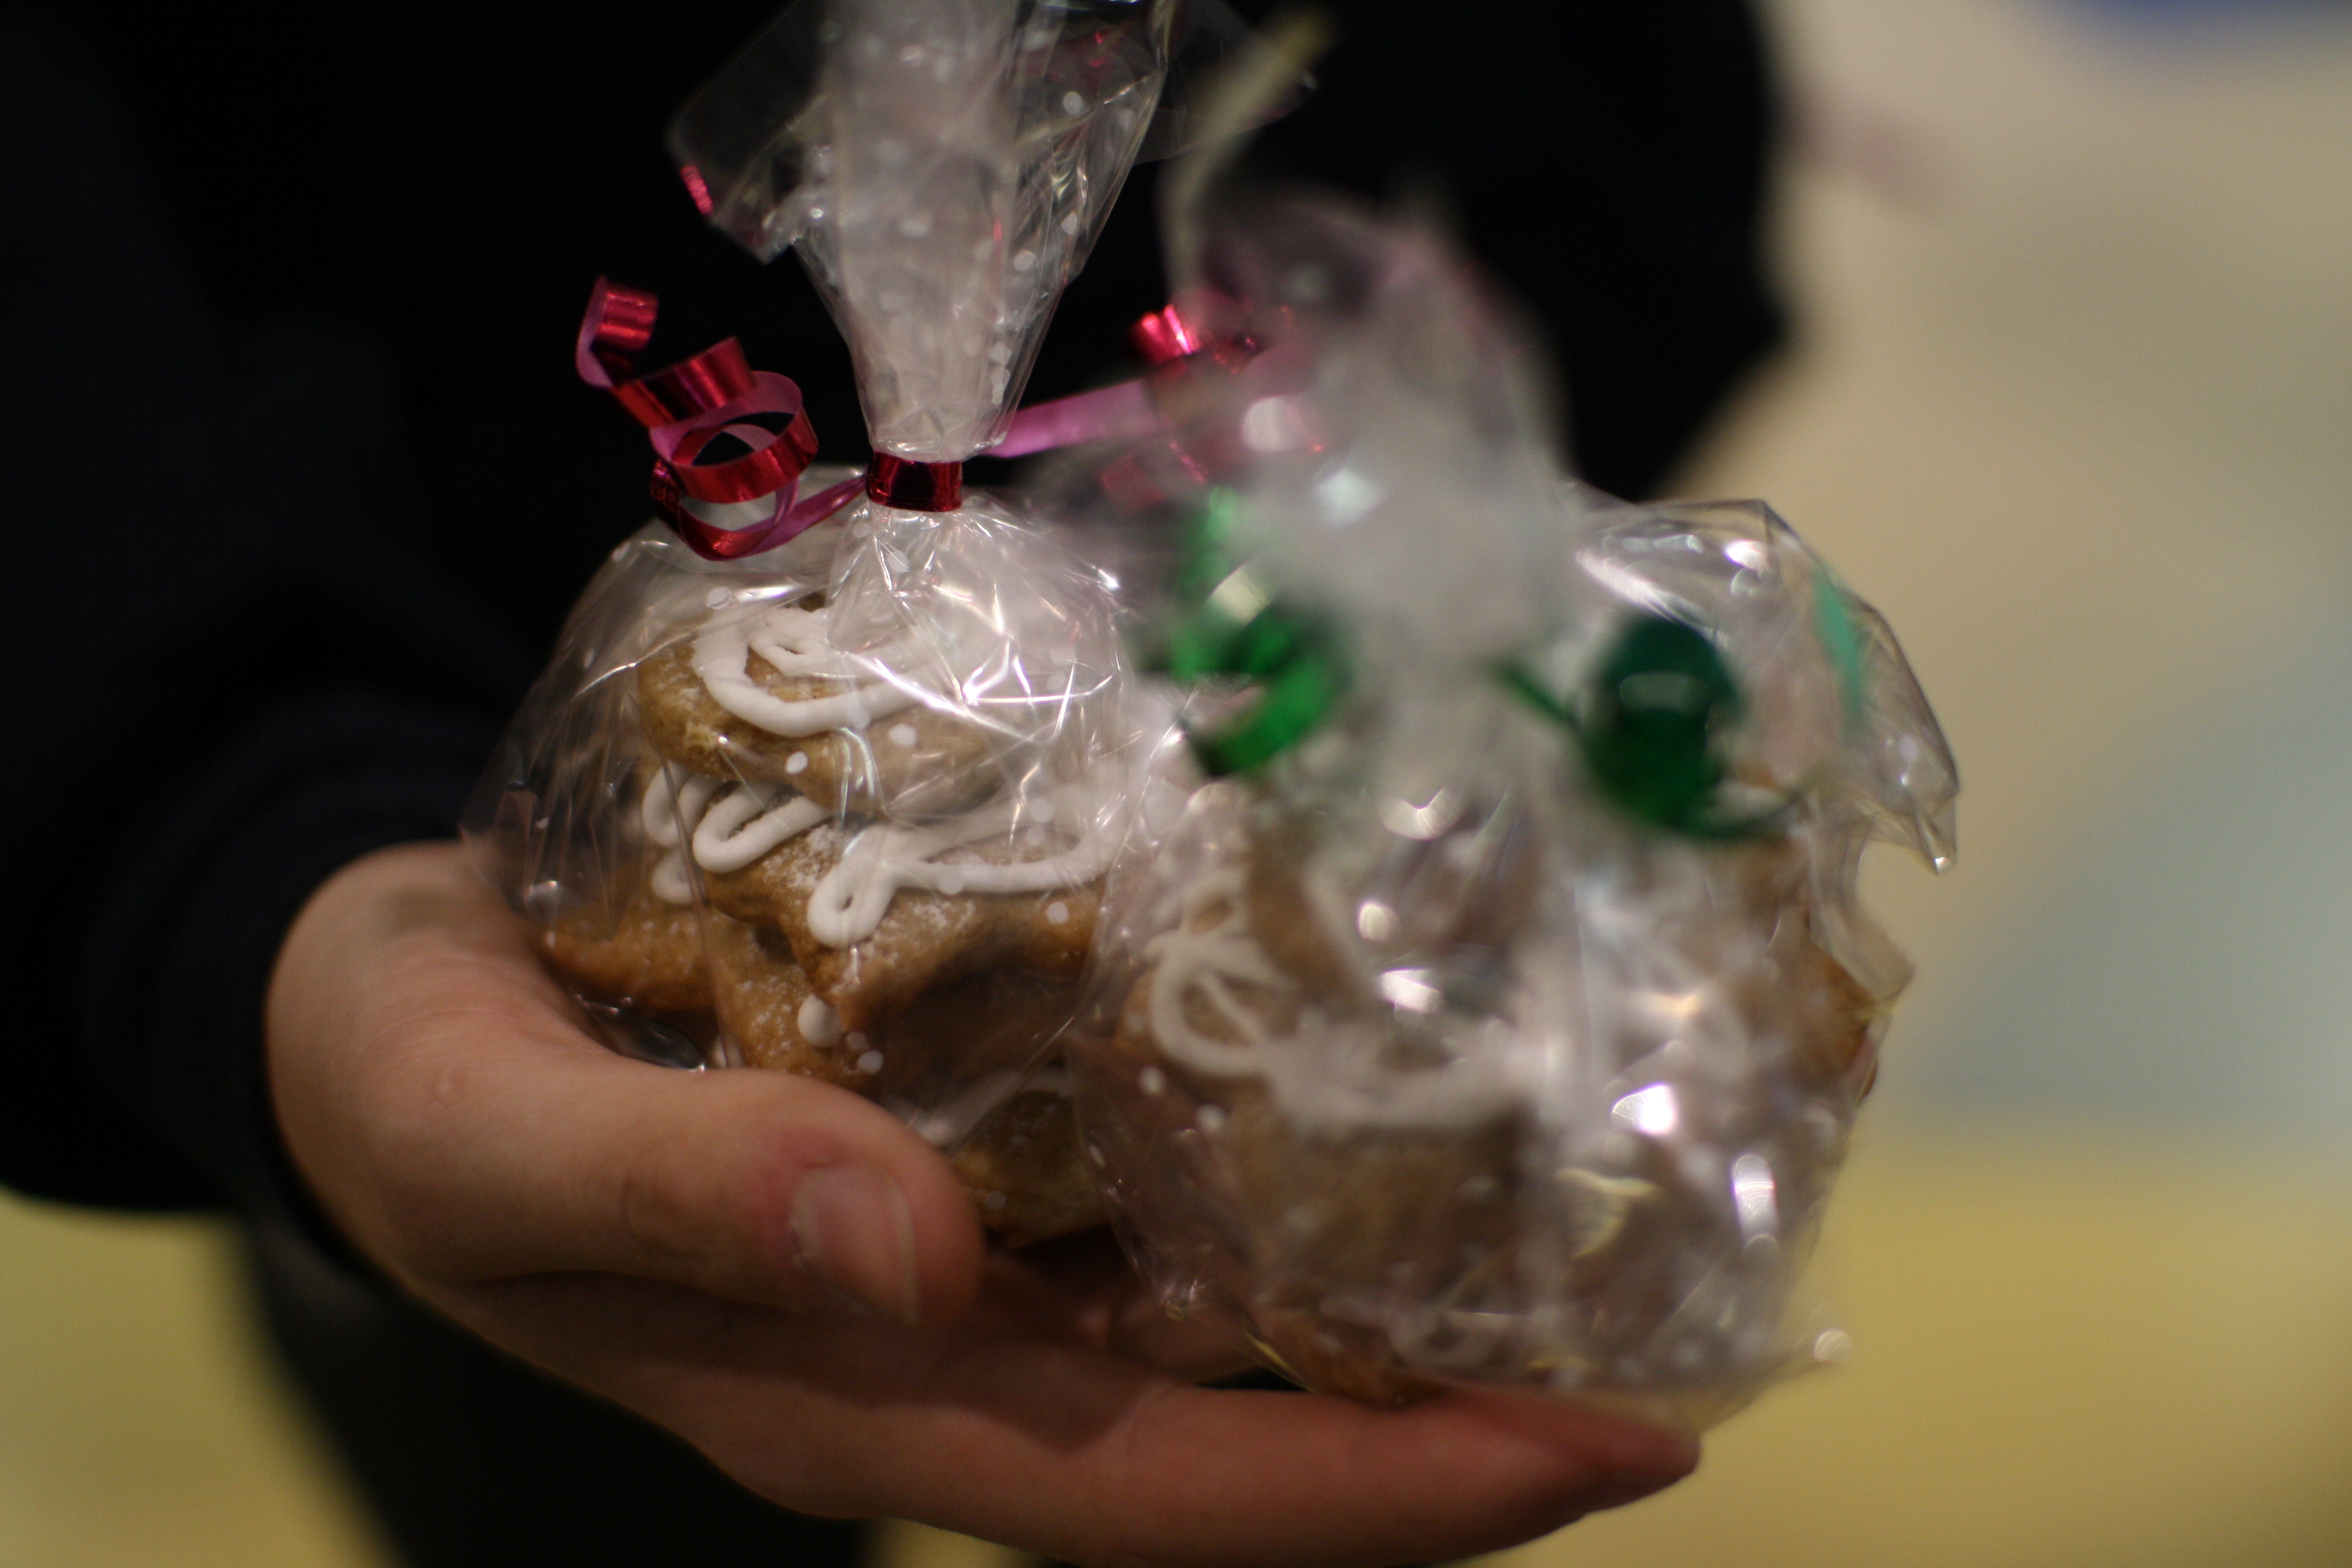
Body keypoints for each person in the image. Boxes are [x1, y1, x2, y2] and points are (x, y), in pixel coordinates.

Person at [0, 3, 1782, 1563]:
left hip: (1300, 725)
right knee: (567, 1476)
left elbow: (1608, 121)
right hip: (379, 659)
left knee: (1319, 1376)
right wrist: (220, 821)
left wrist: (1440, 615)